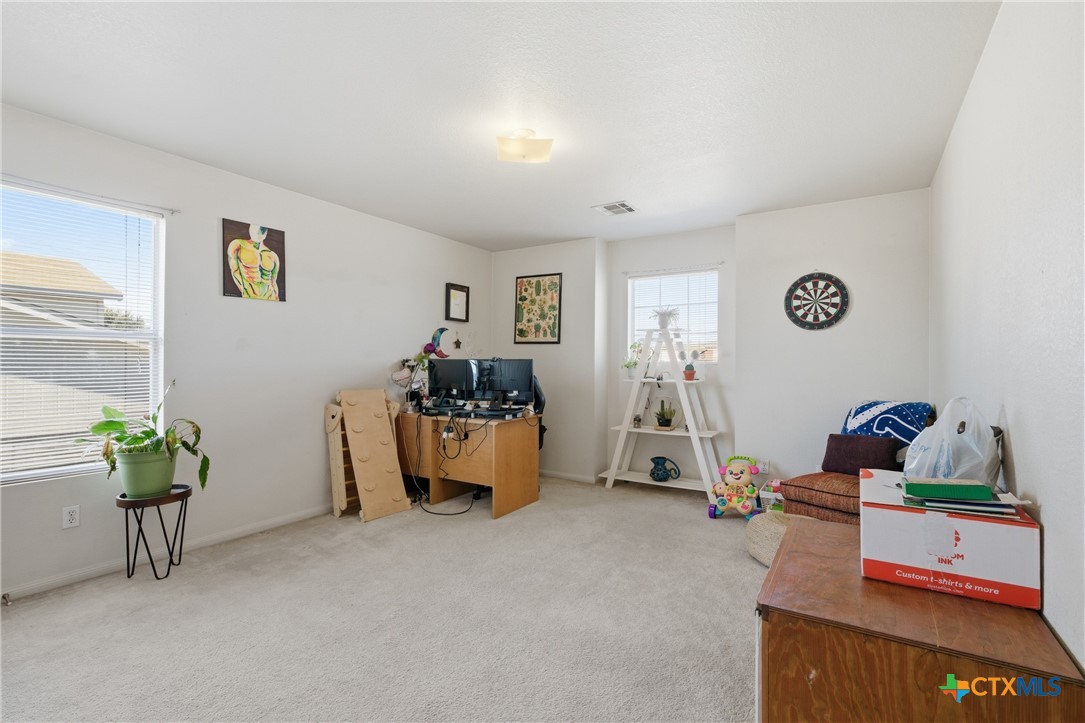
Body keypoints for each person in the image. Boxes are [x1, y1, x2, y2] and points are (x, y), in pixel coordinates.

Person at [227, 224, 280, 300]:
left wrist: (277, 300)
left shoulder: (273, 256)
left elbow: (273, 282)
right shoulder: (237, 245)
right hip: (250, 297)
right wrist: (245, 292)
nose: (258, 230)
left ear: (266, 232)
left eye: (261, 229)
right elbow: (234, 272)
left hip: (271, 298)